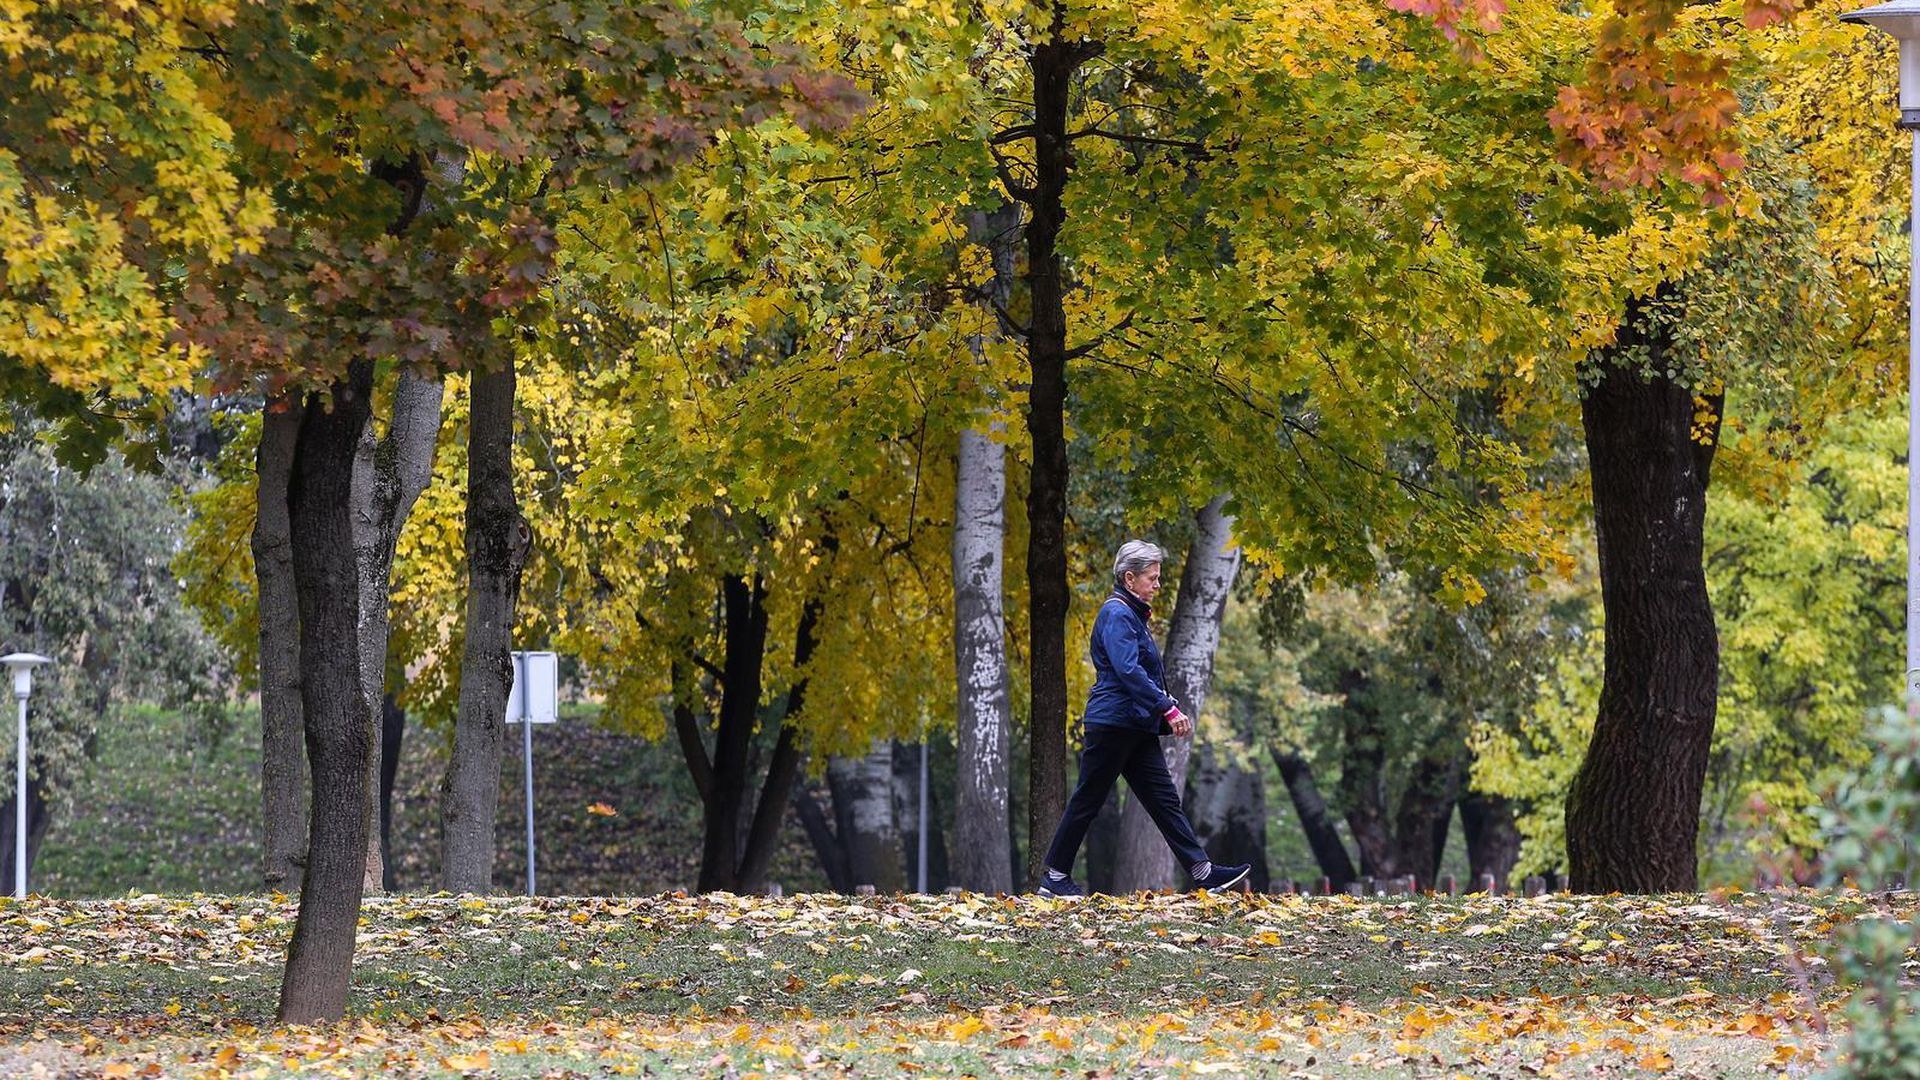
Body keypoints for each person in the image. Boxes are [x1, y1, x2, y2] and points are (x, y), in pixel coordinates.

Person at [1037, 540, 1252, 898]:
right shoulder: (1117, 614)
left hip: (1134, 724)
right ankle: (1055, 878)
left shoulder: (1131, 615)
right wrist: (1166, 707)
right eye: (1151, 578)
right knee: (1089, 799)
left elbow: (1139, 673)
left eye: (1158, 577)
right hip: (1114, 723)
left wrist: (1160, 704)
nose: (1157, 584)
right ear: (1129, 577)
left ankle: (1203, 870)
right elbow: (1128, 670)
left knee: (1163, 799)